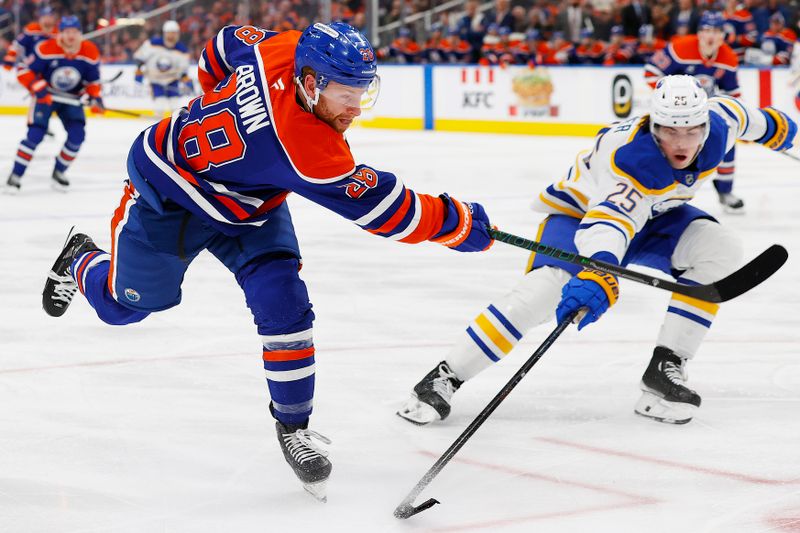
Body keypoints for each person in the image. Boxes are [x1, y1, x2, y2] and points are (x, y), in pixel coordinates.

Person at [39, 22, 494, 501]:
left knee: (284, 303)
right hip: (169, 195)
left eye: (363, 92)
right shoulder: (308, 150)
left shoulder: (282, 46)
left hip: (250, 204)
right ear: (310, 81)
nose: (354, 109)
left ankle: (293, 427)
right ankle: (79, 259)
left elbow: (221, 44)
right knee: (121, 308)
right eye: (344, 92)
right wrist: (461, 224)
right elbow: (390, 212)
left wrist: (226, 108)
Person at [397, 75, 796, 427]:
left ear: (706, 124)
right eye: (671, 132)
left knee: (719, 247)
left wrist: (785, 133)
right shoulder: (631, 159)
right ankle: (445, 376)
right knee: (543, 294)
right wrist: (601, 269)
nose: (682, 142)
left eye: (692, 131)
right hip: (580, 216)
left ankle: (663, 370)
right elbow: (608, 224)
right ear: (654, 126)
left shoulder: (721, 121)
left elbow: (761, 123)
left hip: (655, 217)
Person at [645, 11, 745, 213]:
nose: (711, 36)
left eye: (717, 31)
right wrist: (671, 99)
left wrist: (740, 122)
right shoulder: (679, 48)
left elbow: (732, 93)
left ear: (723, 36)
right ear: (699, 33)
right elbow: (650, 72)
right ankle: (657, 191)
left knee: (727, 139)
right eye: (707, 30)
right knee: (663, 148)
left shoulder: (728, 58)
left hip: (700, 114)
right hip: (671, 116)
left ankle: (725, 191)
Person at [5, 16, 104, 193]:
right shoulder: (45, 48)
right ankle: (15, 176)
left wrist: (95, 97)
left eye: (74, 32)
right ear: (60, 34)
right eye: (66, 32)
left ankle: (59, 171)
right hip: (46, 97)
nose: (71, 36)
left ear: (80, 34)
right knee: (35, 135)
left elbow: (93, 81)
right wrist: (39, 88)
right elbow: (23, 70)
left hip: (71, 99)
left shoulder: (90, 51)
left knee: (77, 135)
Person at [133, 20, 193, 117]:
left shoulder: (182, 50)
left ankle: (175, 129)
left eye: (174, 33)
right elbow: (141, 58)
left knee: (176, 108)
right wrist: (139, 71)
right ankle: (159, 130)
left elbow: (183, 70)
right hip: (156, 80)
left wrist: (185, 79)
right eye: (170, 33)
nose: (172, 36)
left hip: (172, 80)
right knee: (159, 106)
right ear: (165, 33)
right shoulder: (153, 43)